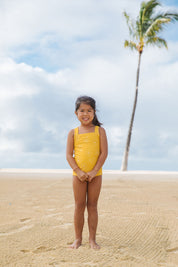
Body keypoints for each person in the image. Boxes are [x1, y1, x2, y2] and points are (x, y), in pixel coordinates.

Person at [66, 96, 108, 249]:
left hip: (95, 175)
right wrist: (78, 171)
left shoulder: (100, 131)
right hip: (78, 176)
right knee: (79, 205)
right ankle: (77, 239)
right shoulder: (73, 133)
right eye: (82, 110)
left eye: (89, 110)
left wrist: (94, 171)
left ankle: (92, 240)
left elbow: (104, 153)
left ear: (94, 112)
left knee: (92, 206)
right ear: (76, 113)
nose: (86, 113)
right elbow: (69, 155)